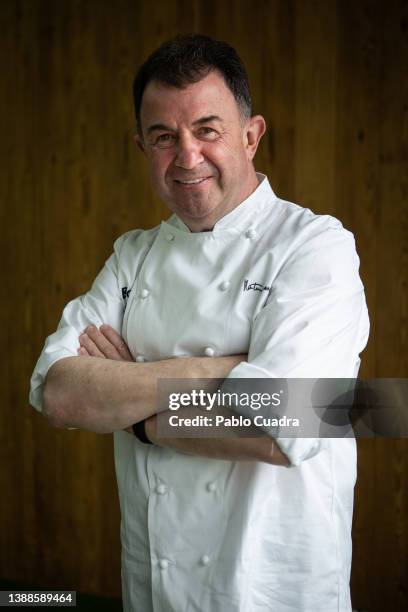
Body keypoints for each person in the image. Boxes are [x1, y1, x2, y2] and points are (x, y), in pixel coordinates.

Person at [30, 34, 370, 612]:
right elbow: (58, 393)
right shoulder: (131, 256)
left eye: (207, 130)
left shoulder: (315, 248)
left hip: (271, 590)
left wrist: (137, 418)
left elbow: (280, 424)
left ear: (251, 135)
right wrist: (210, 371)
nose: (186, 157)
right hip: (155, 592)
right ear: (142, 146)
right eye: (163, 137)